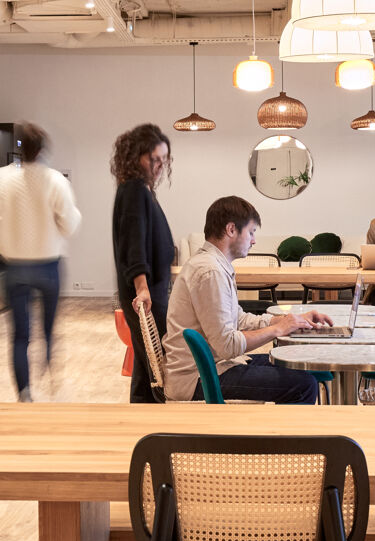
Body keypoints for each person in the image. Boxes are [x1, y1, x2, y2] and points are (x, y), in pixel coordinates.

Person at [163, 195, 332, 403]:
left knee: (297, 365)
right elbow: (227, 346)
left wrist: (287, 320)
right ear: (231, 229)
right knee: (302, 384)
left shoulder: (213, 265)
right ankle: (286, 436)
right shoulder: (210, 271)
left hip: (215, 365)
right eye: (251, 232)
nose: (254, 240)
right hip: (198, 378)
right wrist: (277, 330)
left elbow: (238, 319)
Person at [0, 123, 80, 401]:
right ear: (43, 149)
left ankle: (24, 393)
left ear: (20, 146)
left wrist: (5, 249)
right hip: (48, 264)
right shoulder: (55, 180)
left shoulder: (0, 178)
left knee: (20, 334)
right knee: (48, 328)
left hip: (16, 266)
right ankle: (49, 368)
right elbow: (70, 224)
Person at [111, 123, 175, 404]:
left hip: (151, 292)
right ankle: (152, 425)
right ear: (136, 156)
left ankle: (141, 420)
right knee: (155, 364)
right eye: (154, 159)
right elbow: (133, 244)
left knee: (146, 362)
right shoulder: (134, 190)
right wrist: (143, 288)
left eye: (164, 159)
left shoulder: (139, 190)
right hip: (147, 294)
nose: (160, 165)